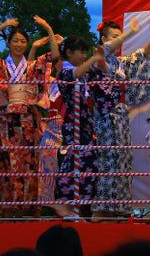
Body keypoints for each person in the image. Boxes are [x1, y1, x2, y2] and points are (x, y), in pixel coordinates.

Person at [0, 15, 61, 218]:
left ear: (27, 44)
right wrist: (3, 25)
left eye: (22, 41)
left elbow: (54, 54)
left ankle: (28, 211)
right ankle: (7, 210)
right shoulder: (1, 64)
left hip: (27, 121)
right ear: (8, 43)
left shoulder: (33, 66)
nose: (19, 44)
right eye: (15, 40)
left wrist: (48, 28)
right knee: (5, 164)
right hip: (5, 121)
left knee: (29, 165)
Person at [91, 18, 150, 218]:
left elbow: (140, 57)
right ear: (103, 39)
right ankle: (101, 212)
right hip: (105, 117)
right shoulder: (99, 57)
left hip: (120, 117)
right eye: (114, 37)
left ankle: (117, 211)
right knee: (108, 162)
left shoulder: (120, 63)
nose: (118, 40)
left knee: (122, 161)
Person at [54, 36, 110, 218]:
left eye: (86, 52)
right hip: (73, 124)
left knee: (88, 164)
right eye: (81, 52)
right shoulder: (64, 73)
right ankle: (64, 202)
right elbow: (75, 75)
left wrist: (100, 61)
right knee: (74, 161)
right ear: (69, 53)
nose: (84, 55)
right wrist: (94, 59)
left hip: (84, 123)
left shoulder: (83, 72)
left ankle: (76, 208)